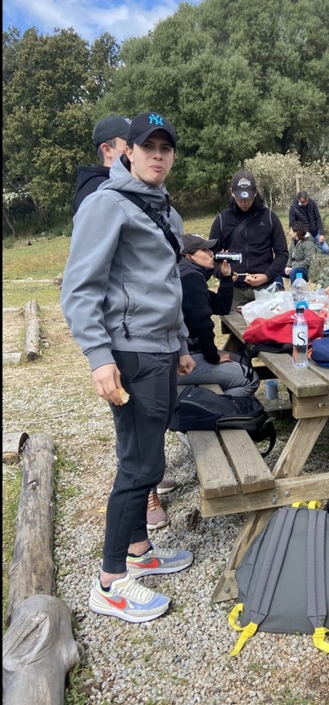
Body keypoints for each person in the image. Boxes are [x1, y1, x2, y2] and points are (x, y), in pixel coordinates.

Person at [61, 112, 196, 623]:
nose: (157, 155)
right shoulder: (106, 205)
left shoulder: (167, 212)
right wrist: (99, 358)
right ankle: (110, 582)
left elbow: (169, 284)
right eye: (148, 146)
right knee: (140, 465)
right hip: (131, 352)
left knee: (149, 454)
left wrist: (182, 342)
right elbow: (79, 289)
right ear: (128, 153)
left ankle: (140, 551)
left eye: (166, 147)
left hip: (163, 350)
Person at [177, 232, 259, 397]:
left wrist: (226, 277)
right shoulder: (190, 278)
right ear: (189, 256)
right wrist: (213, 357)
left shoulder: (187, 274)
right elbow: (202, 324)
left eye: (210, 249)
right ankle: (211, 411)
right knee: (250, 378)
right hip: (185, 360)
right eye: (204, 250)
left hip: (190, 353)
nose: (211, 253)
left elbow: (220, 306)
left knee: (242, 361)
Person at [209, 170, 288, 306]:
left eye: (248, 198)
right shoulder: (222, 220)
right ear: (232, 192)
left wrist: (267, 276)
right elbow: (211, 256)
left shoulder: (270, 218)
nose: (244, 203)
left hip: (265, 289)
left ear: (256, 192)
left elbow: (282, 254)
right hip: (234, 291)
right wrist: (223, 275)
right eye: (240, 199)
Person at [72, 115, 131, 215]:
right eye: (129, 141)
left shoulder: (121, 182)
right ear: (107, 150)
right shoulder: (96, 192)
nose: (136, 147)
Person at [289, 190, 329, 255]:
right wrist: (300, 235)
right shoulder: (293, 208)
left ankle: (323, 263)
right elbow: (292, 224)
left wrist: (321, 234)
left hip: (316, 233)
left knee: (326, 250)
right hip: (304, 236)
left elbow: (318, 218)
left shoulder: (312, 203)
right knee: (310, 254)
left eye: (307, 201)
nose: (305, 203)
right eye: (303, 202)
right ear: (298, 199)